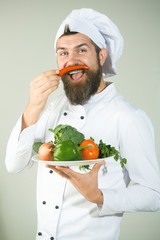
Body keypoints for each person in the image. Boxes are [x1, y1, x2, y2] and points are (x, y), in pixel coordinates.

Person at [5, 8, 160, 240]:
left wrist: (99, 196)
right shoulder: (53, 107)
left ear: (101, 56)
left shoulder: (128, 117)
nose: (71, 60)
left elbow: (152, 194)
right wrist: (32, 107)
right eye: (63, 53)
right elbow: (14, 165)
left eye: (82, 50)